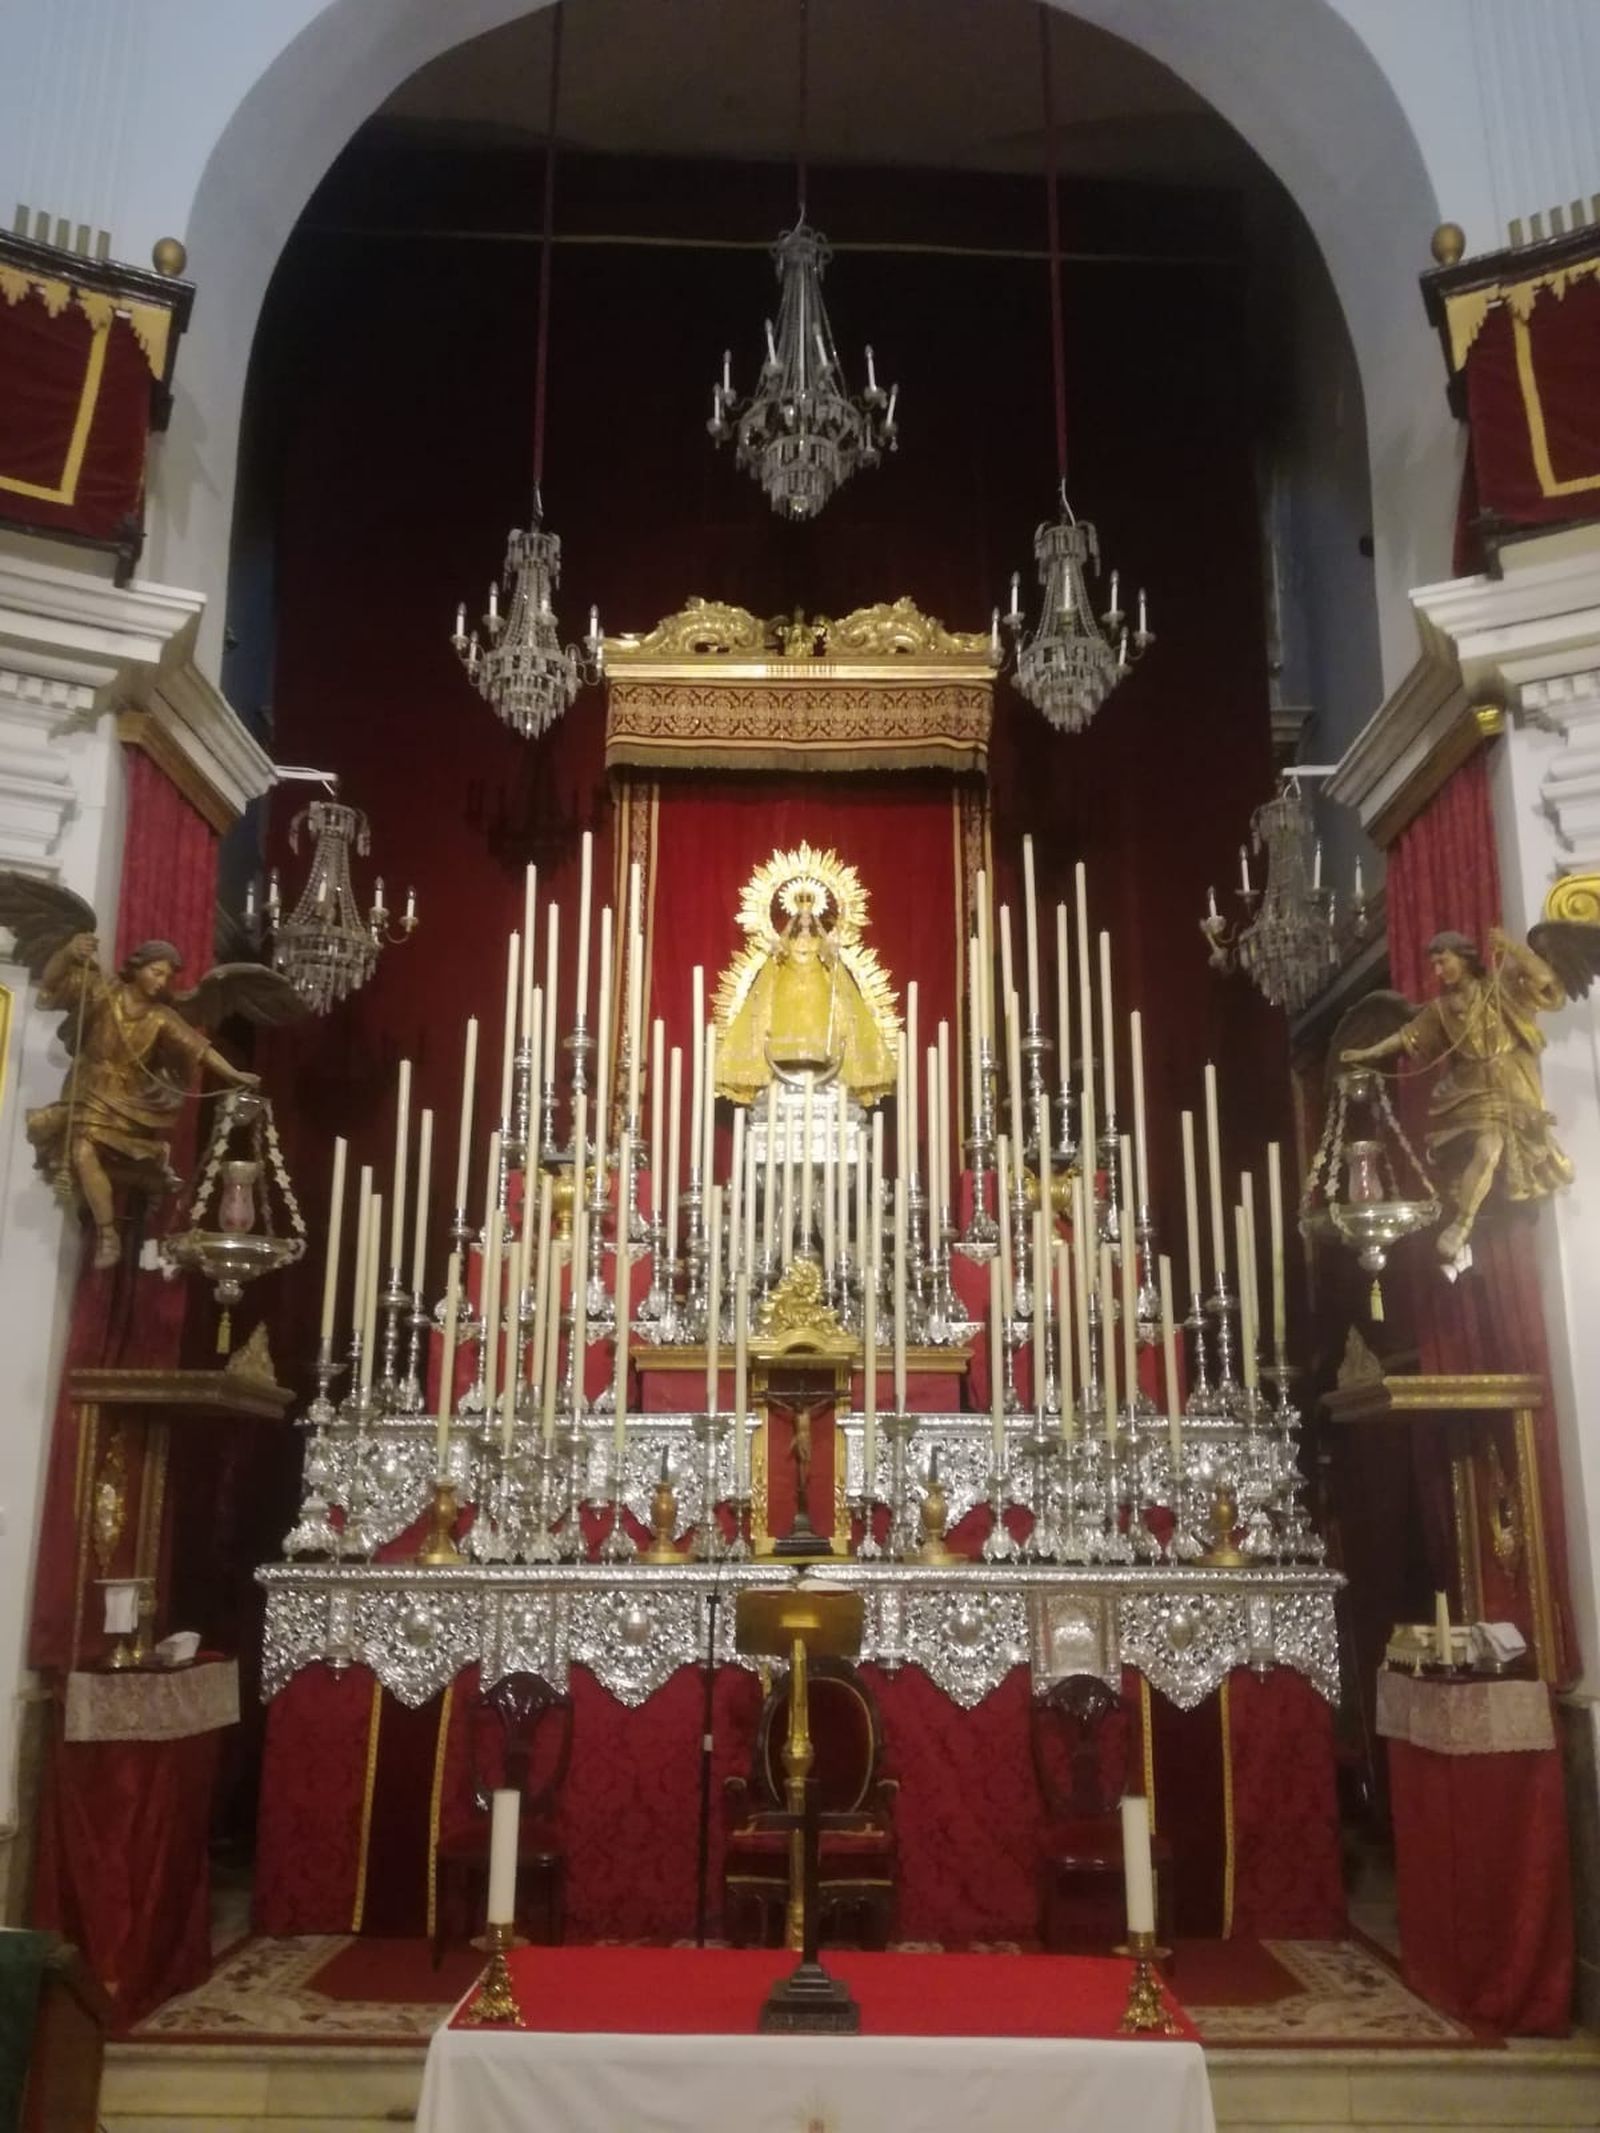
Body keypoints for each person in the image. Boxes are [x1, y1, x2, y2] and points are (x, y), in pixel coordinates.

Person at [1340, 928, 1572, 1267]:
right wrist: (1367, 1053)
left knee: (1501, 1151)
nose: (1437, 972)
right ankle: (1463, 1221)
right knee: (1488, 1147)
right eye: (1432, 965)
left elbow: (1545, 980)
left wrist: (1512, 948)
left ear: (1462, 957)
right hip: (1468, 1091)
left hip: (1510, 1084)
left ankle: (1464, 1220)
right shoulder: (1440, 1009)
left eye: (1442, 961)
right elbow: (1407, 1038)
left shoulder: (1498, 987)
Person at [26, 934, 260, 1268]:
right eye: (156, 971)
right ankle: (109, 1234)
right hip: (86, 1088)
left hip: (128, 1101)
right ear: (137, 967)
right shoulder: (102, 990)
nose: (161, 981)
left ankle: (116, 1221)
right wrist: (66, 951)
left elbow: (199, 1047)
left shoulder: (161, 1017)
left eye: (167, 976)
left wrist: (234, 1074)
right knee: (80, 1149)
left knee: (85, 1150)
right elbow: (52, 986)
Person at [719, 888, 896, 1102]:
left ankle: (821, 1060)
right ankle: (786, 1060)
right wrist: (778, 947)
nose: (804, 921)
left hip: (816, 988)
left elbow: (828, 955)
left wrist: (831, 949)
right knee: (786, 1022)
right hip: (789, 988)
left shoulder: (818, 939)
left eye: (808, 916)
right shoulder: (789, 940)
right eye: (800, 916)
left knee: (819, 1025)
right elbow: (780, 950)